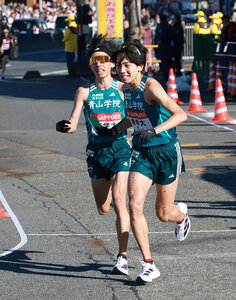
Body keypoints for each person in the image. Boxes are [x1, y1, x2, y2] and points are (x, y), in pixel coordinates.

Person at [114, 40, 190, 284]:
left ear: (140, 67)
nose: (122, 70)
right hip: (142, 153)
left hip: (166, 151)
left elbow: (181, 114)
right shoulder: (126, 89)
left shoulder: (151, 87)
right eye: (119, 65)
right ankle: (148, 265)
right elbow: (135, 117)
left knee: (163, 213)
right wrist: (115, 128)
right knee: (134, 203)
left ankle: (181, 216)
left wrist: (156, 131)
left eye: (127, 65)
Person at [56, 34, 131, 275]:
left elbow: (135, 117)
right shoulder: (84, 92)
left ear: (111, 64)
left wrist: (118, 128)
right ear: (90, 65)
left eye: (103, 59)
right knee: (103, 208)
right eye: (94, 60)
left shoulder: (122, 89)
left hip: (120, 149)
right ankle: (108, 185)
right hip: (96, 154)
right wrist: (65, 126)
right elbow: (74, 121)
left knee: (121, 201)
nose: (99, 64)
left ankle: (123, 257)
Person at [155, 13, 174, 82]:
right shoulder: (169, 26)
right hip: (168, 46)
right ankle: (170, 75)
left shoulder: (160, 26)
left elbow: (158, 37)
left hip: (163, 46)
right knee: (169, 61)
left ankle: (165, 76)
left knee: (164, 62)